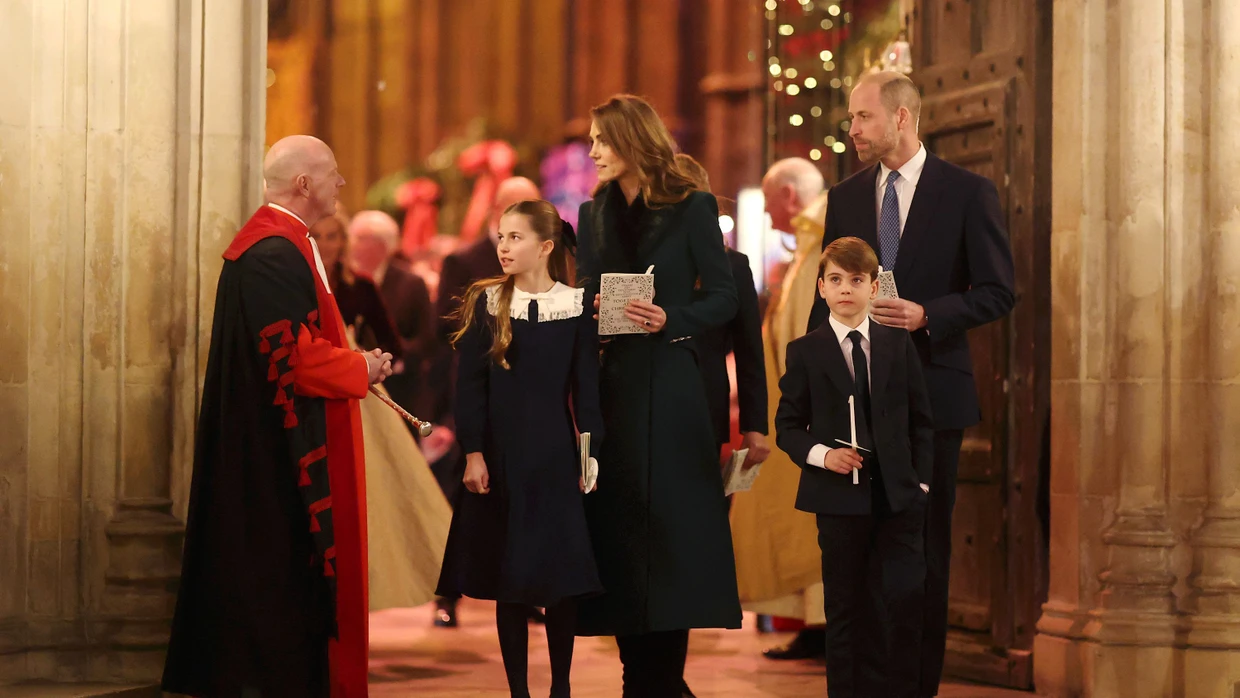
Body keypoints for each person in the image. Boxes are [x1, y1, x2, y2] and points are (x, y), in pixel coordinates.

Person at [806, 71, 1016, 697]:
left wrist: (931, 315)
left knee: (921, 554)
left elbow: (1000, 291)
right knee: (857, 555)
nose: (852, 130)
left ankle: (913, 687)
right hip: (855, 404)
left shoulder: (967, 192)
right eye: (851, 119)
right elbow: (826, 304)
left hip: (933, 398)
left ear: (901, 117)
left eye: (862, 117)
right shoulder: (845, 199)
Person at [162, 135, 393, 698]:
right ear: (304, 184)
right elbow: (293, 359)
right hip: (274, 464)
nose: (342, 183)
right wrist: (359, 367)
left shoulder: (284, 245)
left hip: (273, 450)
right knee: (276, 590)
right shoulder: (271, 252)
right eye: (333, 174)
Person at [575, 94, 741, 698]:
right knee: (620, 535)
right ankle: (637, 680)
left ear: (630, 138)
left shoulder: (692, 206)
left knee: (672, 536)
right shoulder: (592, 213)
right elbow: (588, 289)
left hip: (672, 387)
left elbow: (724, 296)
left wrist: (669, 317)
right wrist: (590, 305)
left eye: (601, 139)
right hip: (614, 385)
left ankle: (663, 680)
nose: (592, 150)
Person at [435, 199, 603, 698]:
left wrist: (590, 455)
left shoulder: (575, 307)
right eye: (502, 237)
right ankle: (519, 692)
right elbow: (470, 387)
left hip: (554, 459)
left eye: (516, 238)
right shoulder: (486, 302)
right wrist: (473, 452)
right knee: (510, 582)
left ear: (546, 246)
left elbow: (587, 393)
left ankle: (561, 689)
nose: (504, 247)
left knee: (561, 581)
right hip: (502, 461)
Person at [777, 236, 934, 697]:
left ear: (873, 288)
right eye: (837, 280)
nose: (847, 289)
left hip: (899, 497)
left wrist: (920, 484)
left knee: (900, 604)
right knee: (845, 609)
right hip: (839, 499)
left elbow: (921, 420)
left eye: (858, 280)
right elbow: (787, 427)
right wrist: (825, 455)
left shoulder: (896, 344)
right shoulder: (805, 351)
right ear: (822, 288)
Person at [428, 175, 544, 627]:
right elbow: (446, 328)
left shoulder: (546, 258)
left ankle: (525, 592)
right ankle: (447, 594)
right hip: (481, 390)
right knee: (464, 495)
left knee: (525, 498)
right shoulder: (464, 260)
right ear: (496, 212)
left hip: (530, 395)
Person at [730, 158, 831, 660]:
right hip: (793, 409)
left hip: (810, 413)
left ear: (790, 195)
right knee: (797, 523)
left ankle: (826, 624)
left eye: (770, 205)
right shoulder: (807, 246)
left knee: (812, 524)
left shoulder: (824, 241)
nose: (768, 218)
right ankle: (814, 623)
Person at [674, 154, 769, 468]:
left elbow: (749, 350)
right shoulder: (643, 262)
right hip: (649, 404)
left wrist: (754, 426)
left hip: (705, 403)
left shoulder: (732, 265)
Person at [348, 210, 438, 423]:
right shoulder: (346, 281)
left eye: (359, 239)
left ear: (381, 245)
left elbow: (427, 340)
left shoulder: (411, 283)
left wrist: (391, 357)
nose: (352, 244)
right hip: (354, 385)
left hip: (400, 389)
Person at [308, 209, 402, 356]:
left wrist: (367, 360)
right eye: (316, 236)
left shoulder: (363, 286)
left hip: (351, 372)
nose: (323, 244)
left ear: (343, 241)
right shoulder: (295, 284)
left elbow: (391, 345)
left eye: (331, 237)